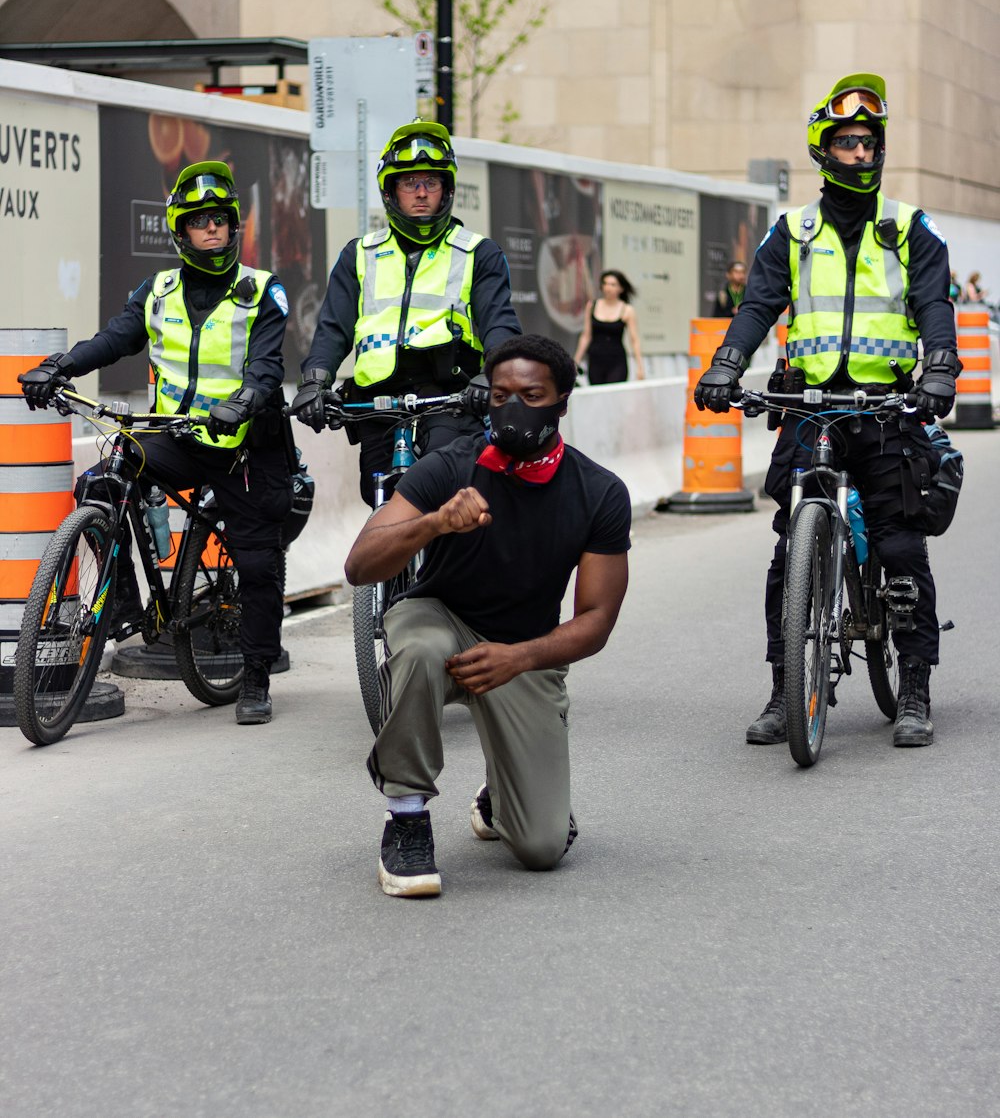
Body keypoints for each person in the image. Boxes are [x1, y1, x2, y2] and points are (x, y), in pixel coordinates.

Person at [694, 73, 960, 749]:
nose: (860, 154)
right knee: (790, 551)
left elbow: (933, 303)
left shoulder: (909, 228)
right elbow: (758, 303)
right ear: (822, 149)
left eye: (869, 143)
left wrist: (940, 366)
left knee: (900, 546)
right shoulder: (794, 231)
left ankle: (917, 687)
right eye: (846, 142)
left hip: (888, 407)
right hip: (810, 405)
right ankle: (787, 690)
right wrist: (727, 363)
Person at [344, 334, 631, 897]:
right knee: (420, 646)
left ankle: (500, 798)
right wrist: (433, 523)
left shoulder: (598, 492)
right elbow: (359, 566)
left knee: (543, 848)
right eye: (500, 395)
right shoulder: (449, 467)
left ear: (563, 403)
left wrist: (520, 657)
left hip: (522, 650)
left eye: (531, 394)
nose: (514, 407)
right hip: (441, 619)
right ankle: (406, 817)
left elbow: (596, 619)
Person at [19, 160, 293, 726]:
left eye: (218, 220)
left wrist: (243, 401)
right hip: (178, 434)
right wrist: (59, 366)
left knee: (258, 561)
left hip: (243, 443)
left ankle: (257, 677)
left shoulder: (262, 291)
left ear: (233, 225)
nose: (210, 230)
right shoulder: (158, 290)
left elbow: (266, 369)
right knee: (103, 476)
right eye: (198, 222)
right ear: (180, 231)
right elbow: (116, 338)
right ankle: (121, 601)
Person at [290, 121, 521, 505]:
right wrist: (314, 382)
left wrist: (492, 375)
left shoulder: (478, 252)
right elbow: (333, 329)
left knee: (445, 487)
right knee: (377, 496)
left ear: (446, 189)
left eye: (430, 182)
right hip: (376, 402)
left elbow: (499, 323)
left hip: (451, 397)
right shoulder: (360, 253)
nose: (420, 193)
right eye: (408, 182)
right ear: (390, 191)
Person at [573, 269, 645, 384]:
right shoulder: (592, 306)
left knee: (615, 395)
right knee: (598, 395)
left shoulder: (627, 310)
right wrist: (576, 361)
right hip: (595, 359)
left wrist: (640, 367)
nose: (608, 288)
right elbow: (586, 336)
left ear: (621, 288)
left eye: (613, 284)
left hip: (617, 361)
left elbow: (634, 340)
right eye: (605, 284)